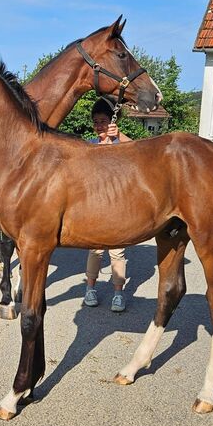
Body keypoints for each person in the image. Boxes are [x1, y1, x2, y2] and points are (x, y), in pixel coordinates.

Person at [83, 98, 132, 312]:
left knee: (117, 252)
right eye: (96, 121)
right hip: (95, 208)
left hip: (117, 209)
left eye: (103, 121)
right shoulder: (90, 145)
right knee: (94, 251)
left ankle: (118, 294)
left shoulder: (120, 143)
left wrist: (118, 136)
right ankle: (90, 289)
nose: (99, 125)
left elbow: (138, 150)